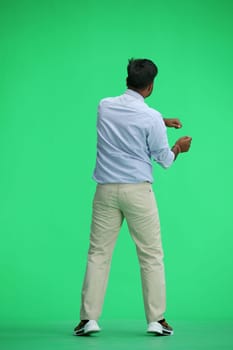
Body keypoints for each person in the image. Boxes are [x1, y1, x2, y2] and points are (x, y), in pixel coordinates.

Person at [74, 58, 192, 337]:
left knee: (98, 254)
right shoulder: (150, 116)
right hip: (138, 191)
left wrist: (160, 121)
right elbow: (164, 160)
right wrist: (178, 146)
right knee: (151, 255)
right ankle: (156, 320)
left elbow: (127, 119)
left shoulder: (104, 106)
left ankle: (87, 319)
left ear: (127, 78)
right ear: (150, 86)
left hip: (105, 190)